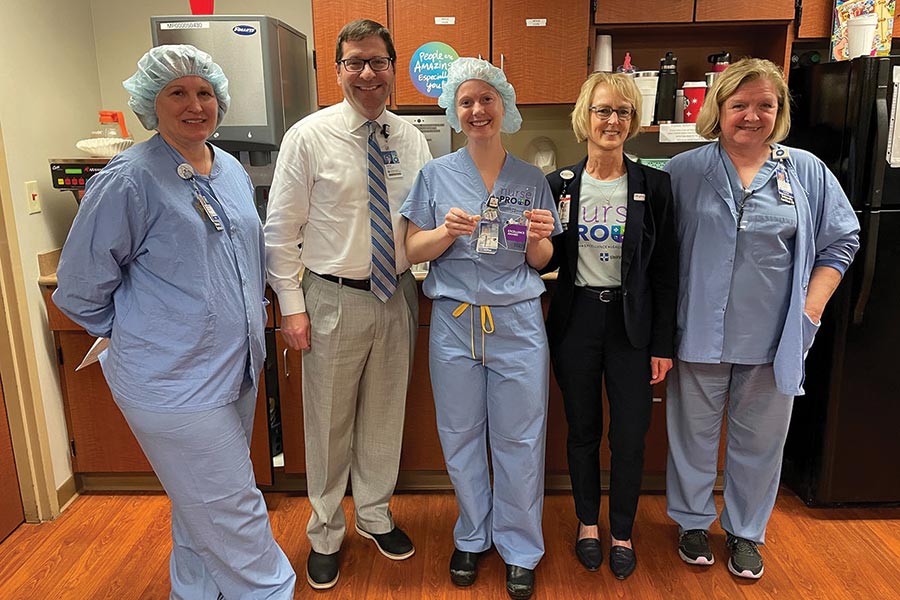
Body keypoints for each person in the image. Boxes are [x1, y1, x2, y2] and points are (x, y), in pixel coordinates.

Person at [52, 45, 296, 599]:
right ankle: (271, 591)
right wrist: (147, 333)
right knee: (233, 510)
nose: (195, 105)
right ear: (150, 103)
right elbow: (80, 289)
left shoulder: (228, 168)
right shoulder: (130, 179)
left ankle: (193, 593)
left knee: (198, 508)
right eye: (177, 93)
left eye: (204, 92)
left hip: (234, 371)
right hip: (174, 382)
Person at [664, 58, 859, 580]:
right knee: (692, 437)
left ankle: (746, 532)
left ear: (780, 111)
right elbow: (657, 250)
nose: (752, 116)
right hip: (699, 332)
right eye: (739, 105)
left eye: (765, 106)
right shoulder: (684, 171)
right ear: (718, 111)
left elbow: (841, 241)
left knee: (761, 443)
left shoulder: (807, 171)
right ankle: (691, 523)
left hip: (774, 337)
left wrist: (811, 306)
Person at [263, 19, 431, 590]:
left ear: (392, 68)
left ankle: (376, 515)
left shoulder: (411, 138)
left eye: (377, 61)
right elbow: (281, 229)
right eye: (355, 62)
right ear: (337, 71)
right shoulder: (308, 137)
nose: (367, 73)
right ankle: (327, 530)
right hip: (331, 296)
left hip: (397, 295)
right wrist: (291, 305)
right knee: (329, 423)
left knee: (386, 417)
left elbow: (422, 217)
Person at [401, 57, 561, 600]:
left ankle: (519, 545)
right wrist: (445, 232)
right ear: (454, 111)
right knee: (461, 434)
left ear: (504, 106)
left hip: (516, 322)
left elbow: (540, 259)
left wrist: (539, 238)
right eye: (466, 102)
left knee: (520, 437)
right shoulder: (436, 176)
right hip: (454, 322)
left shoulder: (531, 178)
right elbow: (411, 249)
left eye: (486, 100)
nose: (477, 110)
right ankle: (473, 532)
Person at [544, 73, 677, 580]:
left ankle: (621, 529)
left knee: (630, 435)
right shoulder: (559, 186)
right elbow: (544, 259)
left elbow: (666, 271)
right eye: (603, 110)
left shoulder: (653, 185)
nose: (612, 121)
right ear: (585, 116)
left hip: (633, 327)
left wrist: (663, 343)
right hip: (577, 321)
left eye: (622, 112)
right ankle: (586, 524)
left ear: (633, 121)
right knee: (582, 431)